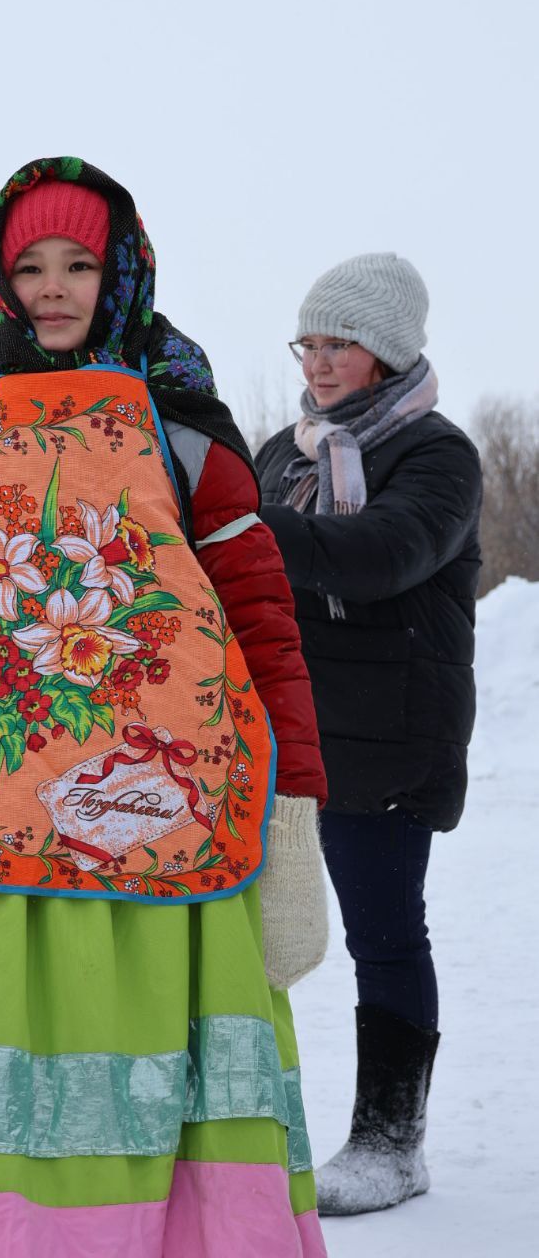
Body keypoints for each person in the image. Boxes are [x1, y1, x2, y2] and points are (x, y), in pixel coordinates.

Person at [0, 157, 330, 1257]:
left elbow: (264, 628)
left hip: (178, 847)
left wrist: (292, 808)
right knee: (3, 1115)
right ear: (0, 283)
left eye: (79, 263)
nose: (54, 287)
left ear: (120, 275)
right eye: (30, 267)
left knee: (187, 1099)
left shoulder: (192, 435)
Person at [255, 254, 482, 1215]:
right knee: (248, 936)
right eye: (308, 341)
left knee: (382, 936)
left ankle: (392, 1142)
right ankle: (239, 1131)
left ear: (385, 352)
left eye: (338, 342)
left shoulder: (436, 454)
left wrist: (240, 530)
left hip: (390, 731)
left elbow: (385, 555)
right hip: (283, 731)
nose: (318, 360)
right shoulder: (280, 451)